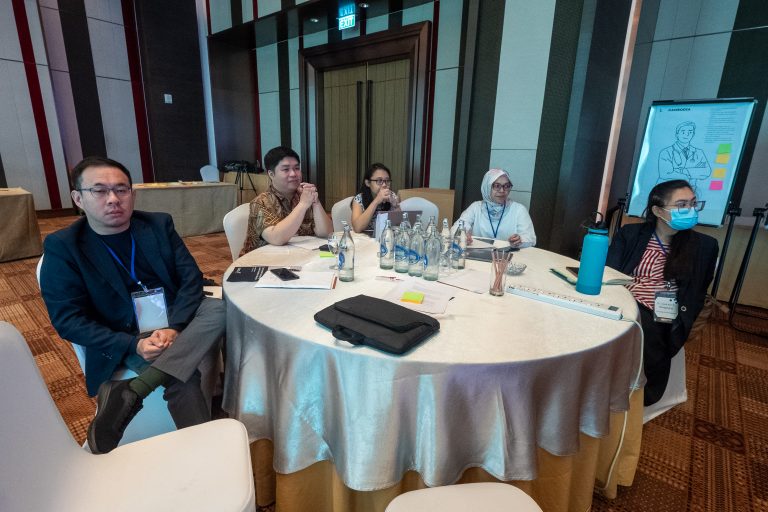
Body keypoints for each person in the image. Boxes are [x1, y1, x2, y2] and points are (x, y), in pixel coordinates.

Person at [40, 156, 225, 454]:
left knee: (220, 308)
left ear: (133, 194)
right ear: (78, 198)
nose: (113, 199)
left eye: (121, 189)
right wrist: (133, 345)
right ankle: (204, 455)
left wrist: (175, 327)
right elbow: (68, 320)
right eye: (99, 190)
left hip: (174, 319)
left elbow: (191, 279)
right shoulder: (64, 247)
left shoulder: (157, 224)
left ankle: (135, 390)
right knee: (184, 378)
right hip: (124, 335)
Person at [606, 179, 718, 406]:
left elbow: (697, 291)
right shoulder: (631, 234)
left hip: (665, 307)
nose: (690, 210)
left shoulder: (705, 246)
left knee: (645, 324)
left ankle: (644, 391)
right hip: (624, 296)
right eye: (682, 205)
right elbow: (610, 271)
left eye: (693, 203)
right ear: (658, 211)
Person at [241, 146, 332, 254]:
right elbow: (277, 238)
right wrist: (303, 204)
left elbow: (326, 233)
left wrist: (315, 201)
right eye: (286, 169)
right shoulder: (261, 202)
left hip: (299, 256)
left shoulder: (304, 195)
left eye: (297, 168)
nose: (293, 174)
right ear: (271, 174)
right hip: (266, 260)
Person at [455, 168, 536, 247]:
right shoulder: (476, 208)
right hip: (478, 254)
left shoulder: (519, 210)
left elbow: (530, 238)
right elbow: (457, 228)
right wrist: (463, 235)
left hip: (509, 255)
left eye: (506, 186)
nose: (502, 190)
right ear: (487, 187)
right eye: (497, 186)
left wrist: (520, 240)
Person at [657, 121, 711, 193]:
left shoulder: (699, 152)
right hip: (667, 192)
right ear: (677, 134)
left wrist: (683, 171)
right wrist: (692, 173)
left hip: (691, 191)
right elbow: (665, 174)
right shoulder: (666, 152)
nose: (686, 134)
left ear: (693, 134)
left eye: (690, 132)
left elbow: (707, 171)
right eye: (683, 132)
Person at [350, 163, 401, 234]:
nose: (384, 185)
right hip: (364, 238)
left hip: (385, 236)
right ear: (368, 183)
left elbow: (400, 225)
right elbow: (357, 228)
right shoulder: (359, 199)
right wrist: (376, 201)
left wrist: (396, 206)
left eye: (387, 181)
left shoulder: (391, 196)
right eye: (379, 181)